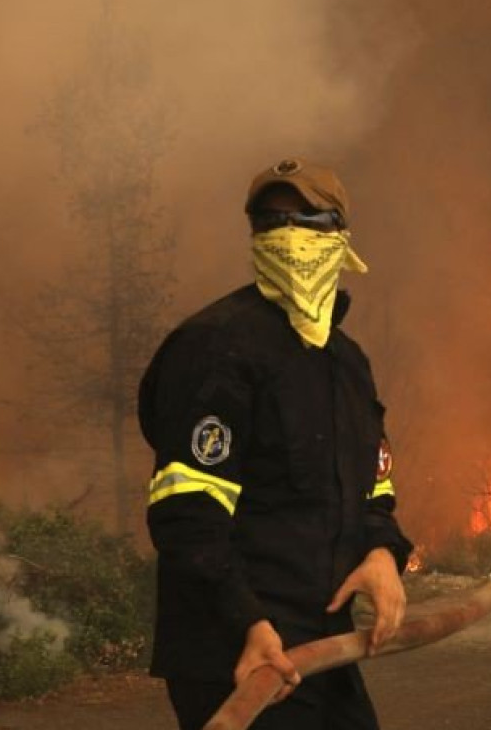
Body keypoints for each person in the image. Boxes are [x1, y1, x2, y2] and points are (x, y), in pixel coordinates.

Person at [140, 158, 413, 730]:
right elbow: (187, 512)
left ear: (340, 235)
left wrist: (383, 553)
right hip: (238, 652)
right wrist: (247, 623)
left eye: (307, 219)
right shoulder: (216, 347)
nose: (287, 234)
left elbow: (374, 492)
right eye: (268, 221)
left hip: (320, 644)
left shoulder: (345, 361)